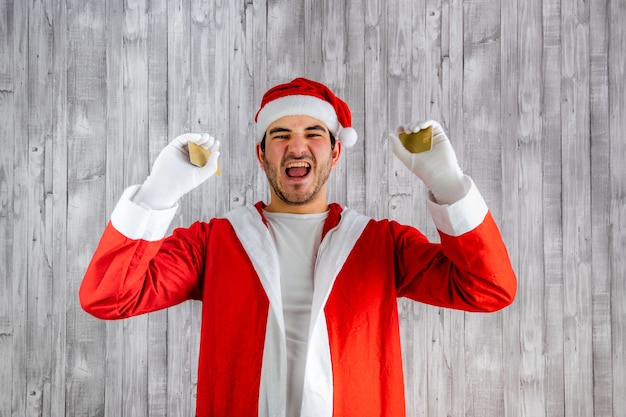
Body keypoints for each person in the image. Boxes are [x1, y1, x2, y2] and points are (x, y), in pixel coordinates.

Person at [80, 77, 517, 417]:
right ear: (261, 154)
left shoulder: (382, 244)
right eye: (280, 134)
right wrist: (156, 195)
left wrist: (449, 187)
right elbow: (107, 296)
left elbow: (489, 289)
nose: (297, 145)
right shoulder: (214, 243)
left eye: (313, 132)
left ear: (334, 153)